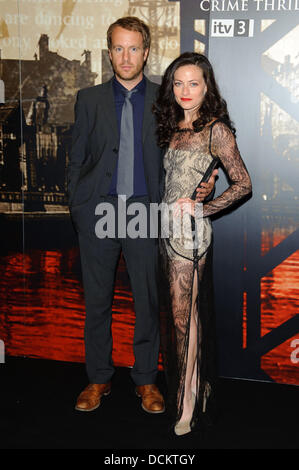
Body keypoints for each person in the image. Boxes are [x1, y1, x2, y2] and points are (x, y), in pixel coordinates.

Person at [67, 18, 215, 414]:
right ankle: (98, 378)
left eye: (134, 48)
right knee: (97, 302)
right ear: (109, 50)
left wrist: (206, 176)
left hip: (146, 212)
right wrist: (78, 206)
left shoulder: (163, 101)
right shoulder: (89, 99)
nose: (126, 56)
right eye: (119, 48)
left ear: (146, 52)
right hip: (98, 211)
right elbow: (77, 157)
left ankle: (146, 381)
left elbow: (188, 147)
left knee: (148, 302)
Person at [153, 52, 252, 435]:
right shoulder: (173, 126)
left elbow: (243, 183)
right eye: (178, 83)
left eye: (193, 83)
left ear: (207, 86)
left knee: (182, 320)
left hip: (191, 240)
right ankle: (195, 386)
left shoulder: (217, 130)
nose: (185, 91)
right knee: (184, 318)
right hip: (165, 232)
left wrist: (204, 208)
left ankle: (187, 399)